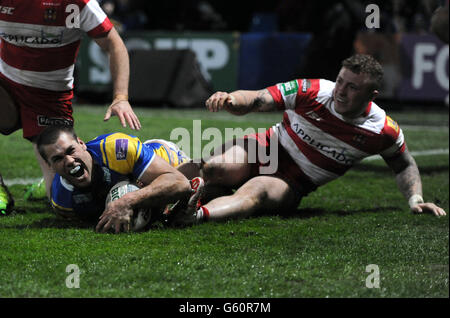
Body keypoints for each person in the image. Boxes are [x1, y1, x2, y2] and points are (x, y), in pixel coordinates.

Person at [166, 54, 447, 226]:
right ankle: (150, 188)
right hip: (269, 147)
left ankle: (194, 216)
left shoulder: (382, 129)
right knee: (214, 167)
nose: (341, 91)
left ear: (370, 97)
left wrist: (415, 198)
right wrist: (232, 100)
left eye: (352, 88)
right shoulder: (313, 90)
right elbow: (258, 98)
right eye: (340, 81)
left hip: (293, 181)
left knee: (255, 192)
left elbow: (403, 164)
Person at [0, 0, 141, 215]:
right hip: (6, 84)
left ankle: (48, 184)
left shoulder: (79, 3)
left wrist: (121, 97)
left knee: (63, 204)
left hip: (50, 98)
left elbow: (114, 44)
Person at [36, 125, 203, 233]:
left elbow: (180, 183)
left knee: (210, 176)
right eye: (57, 159)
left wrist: (127, 201)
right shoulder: (63, 202)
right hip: (130, 179)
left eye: (71, 150)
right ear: (50, 166)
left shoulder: (117, 149)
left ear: (81, 143)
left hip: (166, 159)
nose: (69, 161)